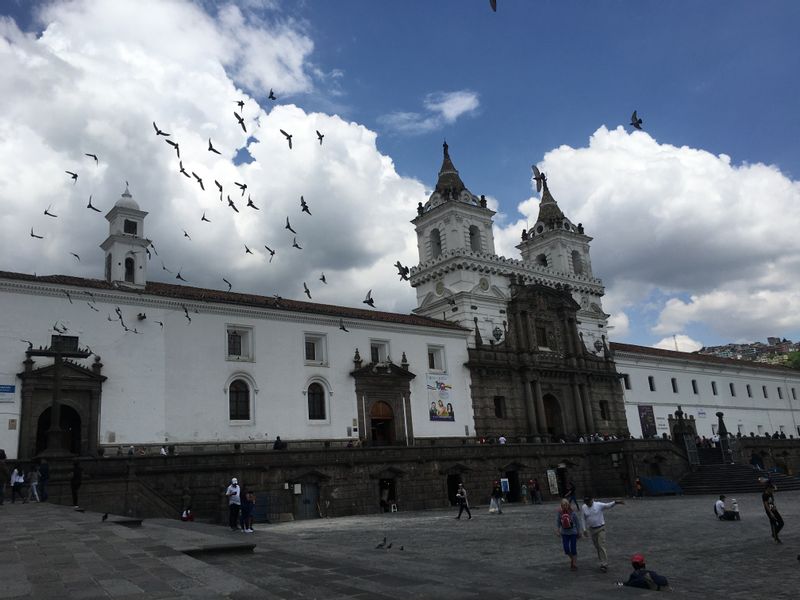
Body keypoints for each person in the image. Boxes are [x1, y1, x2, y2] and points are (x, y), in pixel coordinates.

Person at [581, 495, 624, 572]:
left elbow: (607, 505)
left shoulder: (598, 505)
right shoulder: (584, 507)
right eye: (586, 502)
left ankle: (604, 564)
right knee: (597, 547)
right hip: (592, 530)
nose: (587, 503)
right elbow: (583, 518)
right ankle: (602, 561)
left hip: (601, 528)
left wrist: (616, 502)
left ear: (592, 500)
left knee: (601, 545)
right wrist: (584, 529)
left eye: (588, 501)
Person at [556, 498, 579, 571]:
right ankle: (573, 559)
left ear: (568, 505)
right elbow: (558, 522)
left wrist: (579, 532)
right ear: (561, 506)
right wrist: (557, 530)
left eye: (566, 504)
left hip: (573, 532)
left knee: (573, 548)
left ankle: (574, 564)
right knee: (566, 549)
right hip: (564, 533)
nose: (564, 506)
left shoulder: (572, 512)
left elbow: (577, 523)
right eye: (563, 505)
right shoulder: (560, 513)